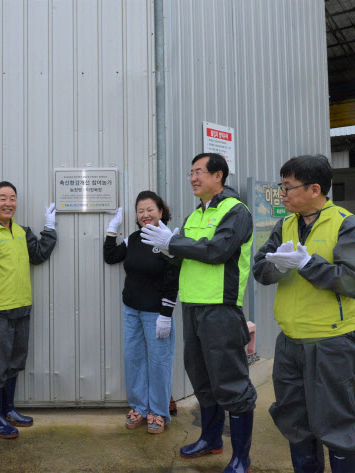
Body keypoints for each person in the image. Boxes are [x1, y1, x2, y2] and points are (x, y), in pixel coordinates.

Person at [253, 155, 355, 473]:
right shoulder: (286, 224)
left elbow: (353, 281)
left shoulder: (348, 225)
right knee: (295, 421)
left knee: (337, 423)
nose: (282, 194)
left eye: (288, 187)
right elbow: (259, 269)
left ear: (314, 189)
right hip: (291, 341)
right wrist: (275, 265)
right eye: (282, 186)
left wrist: (309, 264)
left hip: (332, 341)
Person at [141, 153, 256, 473]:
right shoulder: (195, 215)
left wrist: (174, 243)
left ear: (218, 175)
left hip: (220, 308)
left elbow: (218, 251)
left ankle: (241, 457)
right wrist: (167, 248)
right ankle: (211, 439)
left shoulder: (235, 211)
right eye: (190, 172)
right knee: (202, 379)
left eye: (199, 172)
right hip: (192, 307)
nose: (192, 177)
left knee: (232, 385)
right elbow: (184, 258)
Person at [0, 181, 57, 439]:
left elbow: (38, 254)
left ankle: (8, 410)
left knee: (13, 363)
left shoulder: (21, 231)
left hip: (22, 307)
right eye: (2, 198)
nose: (8, 203)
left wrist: (49, 228)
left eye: (12, 198)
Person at [103, 191, 179, 434]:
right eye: (140, 211)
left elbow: (173, 277)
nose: (145, 215)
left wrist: (166, 313)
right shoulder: (134, 239)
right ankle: (139, 407)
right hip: (132, 311)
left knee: (159, 363)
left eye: (150, 210)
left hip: (157, 313)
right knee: (134, 360)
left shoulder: (169, 239)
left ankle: (158, 412)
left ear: (160, 211)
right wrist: (112, 231)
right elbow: (111, 257)